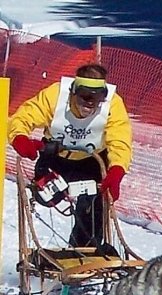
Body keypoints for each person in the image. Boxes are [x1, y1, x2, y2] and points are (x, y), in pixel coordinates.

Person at [9, 63, 133, 248]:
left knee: (94, 208)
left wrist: (116, 170)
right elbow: (25, 116)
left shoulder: (113, 104)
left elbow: (120, 139)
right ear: (74, 91)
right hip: (54, 157)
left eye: (97, 98)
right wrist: (20, 138)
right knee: (46, 197)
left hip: (91, 161)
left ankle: (84, 252)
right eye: (85, 96)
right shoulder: (55, 95)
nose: (90, 103)